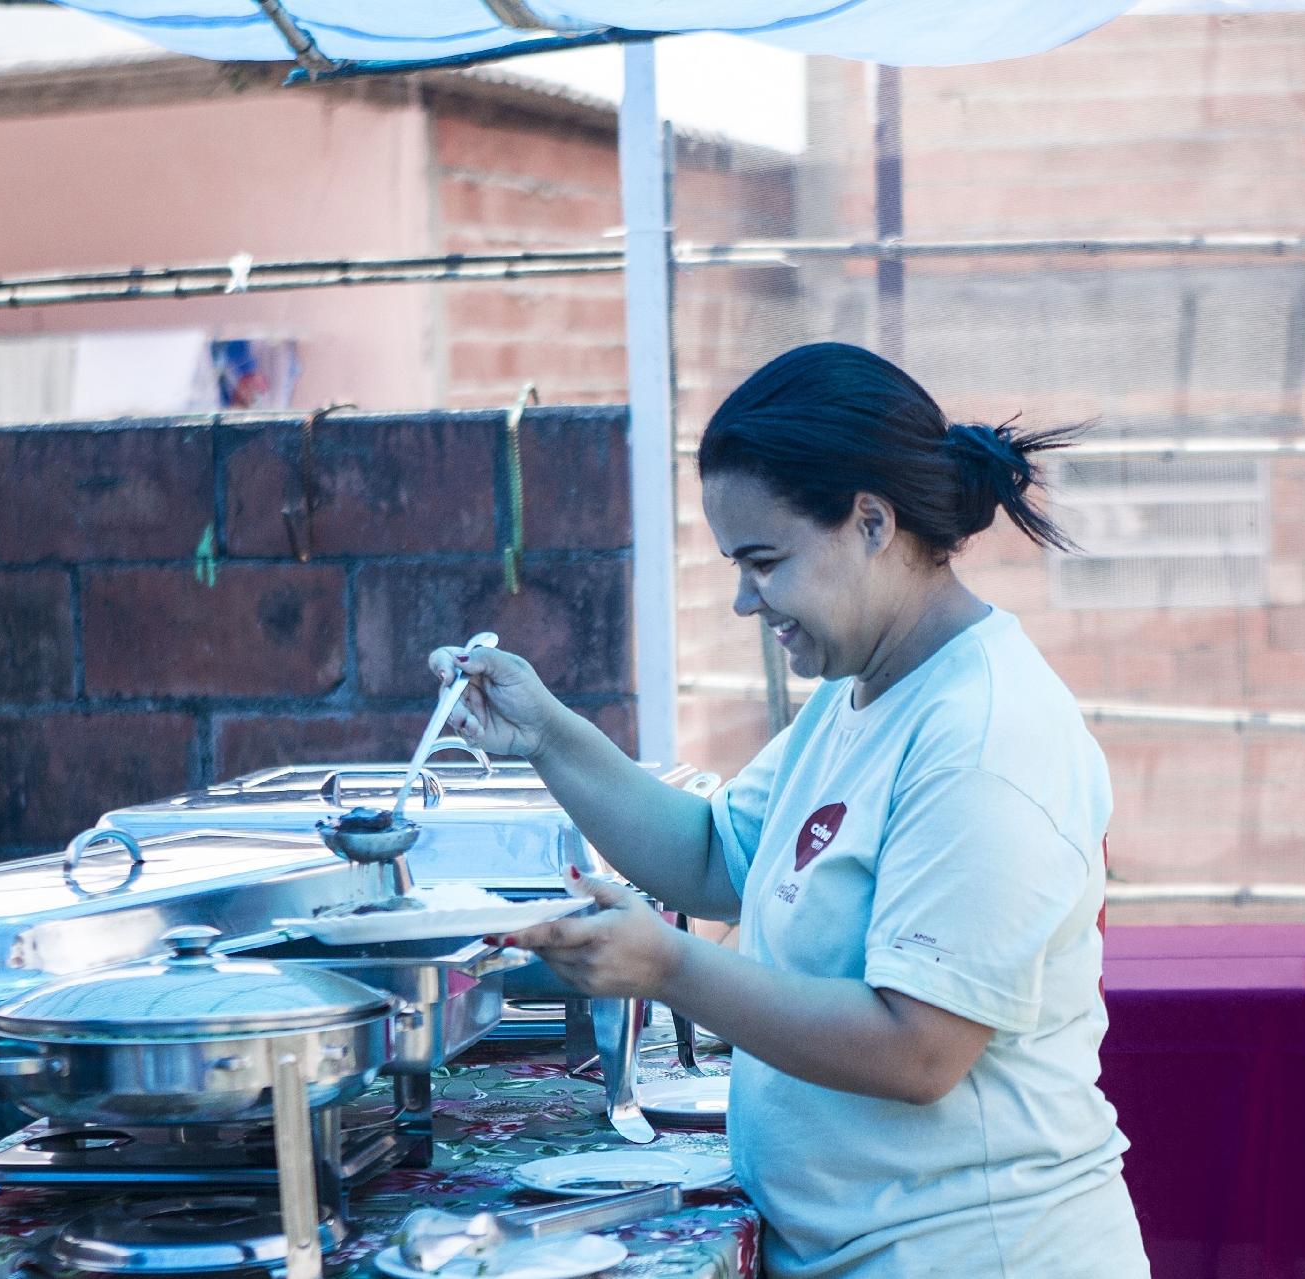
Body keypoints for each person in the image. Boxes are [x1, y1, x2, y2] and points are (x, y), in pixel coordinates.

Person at [429, 342, 1148, 1279]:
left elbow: (920, 1048)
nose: (744, 599)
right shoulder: (859, 694)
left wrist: (669, 966)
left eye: (764, 561)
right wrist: (549, 734)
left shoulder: (984, 735)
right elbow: (710, 856)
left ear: (872, 522)